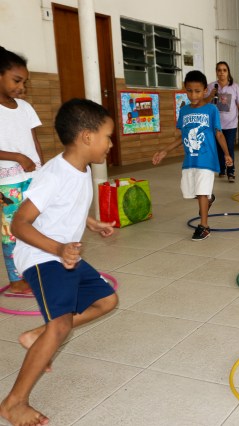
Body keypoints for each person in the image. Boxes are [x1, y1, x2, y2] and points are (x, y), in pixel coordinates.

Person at [0, 99, 119, 426]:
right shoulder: (53, 174)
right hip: (41, 255)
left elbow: (66, 206)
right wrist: (58, 248)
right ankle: (13, 403)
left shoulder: (82, 168)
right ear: (87, 137)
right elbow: (19, 224)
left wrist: (90, 223)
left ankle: (37, 334)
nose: (110, 144)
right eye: (108, 137)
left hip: (63, 253)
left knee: (107, 300)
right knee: (61, 325)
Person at [152, 70, 233, 241]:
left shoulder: (211, 109)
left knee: (201, 192)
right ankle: (209, 198)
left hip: (207, 159)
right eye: (189, 91)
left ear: (205, 91)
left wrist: (227, 154)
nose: (193, 95)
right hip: (190, 159)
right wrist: (164, 151)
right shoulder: (184, 111)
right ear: (185, 89)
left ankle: (204, 227)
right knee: (193, 191)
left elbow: (218, 133)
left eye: (197, 91)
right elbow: (181, 137)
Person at [0, 46, 44, 297]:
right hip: (7, 184)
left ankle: (34, 270)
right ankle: (16, 281)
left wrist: (42, 170)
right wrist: (17, 157)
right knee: (11, 231)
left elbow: (35, 142)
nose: (22, 87)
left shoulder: (25, 108)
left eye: (24, 82)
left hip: (32, 177)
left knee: (36, 226)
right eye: (16, 80)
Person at [204, 61, 239, 182]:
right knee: (218, 148)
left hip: (231, 124)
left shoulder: (234, 87)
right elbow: (204, 102)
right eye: (219, 70)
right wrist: (210, 95)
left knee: (229, 147)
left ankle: (231, 171)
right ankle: (221, 169)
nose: (222, 73)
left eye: (224, 70)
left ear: (228, 72)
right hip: (216, 124)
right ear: (216, 72)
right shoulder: (211, 86)